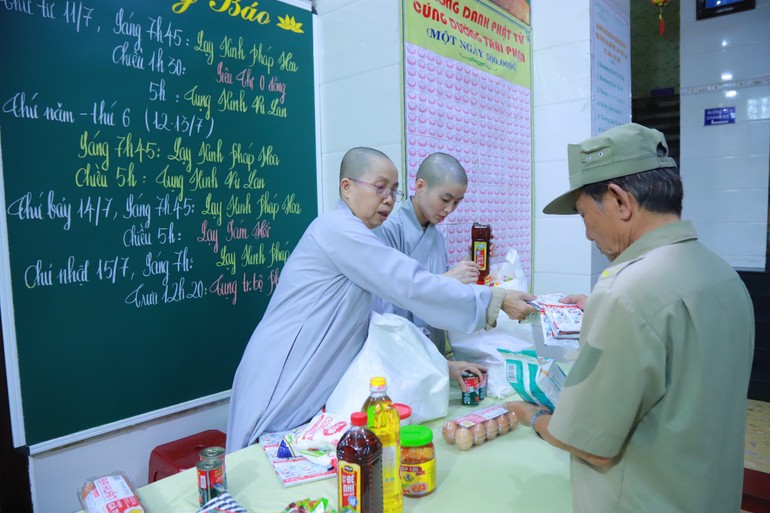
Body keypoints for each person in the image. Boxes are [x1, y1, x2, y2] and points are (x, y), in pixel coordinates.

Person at [505, 123, 755, 513]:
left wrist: (531, 414)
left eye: (584, 215)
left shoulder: (624, 291)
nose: (588, 234)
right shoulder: (722, 275)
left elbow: (589, 443)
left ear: (620, 201)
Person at [227, 147, 535, 452]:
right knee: (257, 465)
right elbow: (408, 284)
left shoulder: (362, 231)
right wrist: (496, 299)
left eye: (393, 190)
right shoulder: (338, 229)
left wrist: (445, 360)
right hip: (283, 367)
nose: (388, 198)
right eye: (379, 188)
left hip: (313, 369)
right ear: (346, 187)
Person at [374, 152, 487, 387]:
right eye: (445, 199)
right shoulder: (389, 231)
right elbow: (387, 302)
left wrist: (469, 266)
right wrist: (445, 278)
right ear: (420, 186)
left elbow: (443, 291)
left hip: (433, 353)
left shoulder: (436, 234)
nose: (449, 209)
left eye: (456, 202)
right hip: (401, 356)